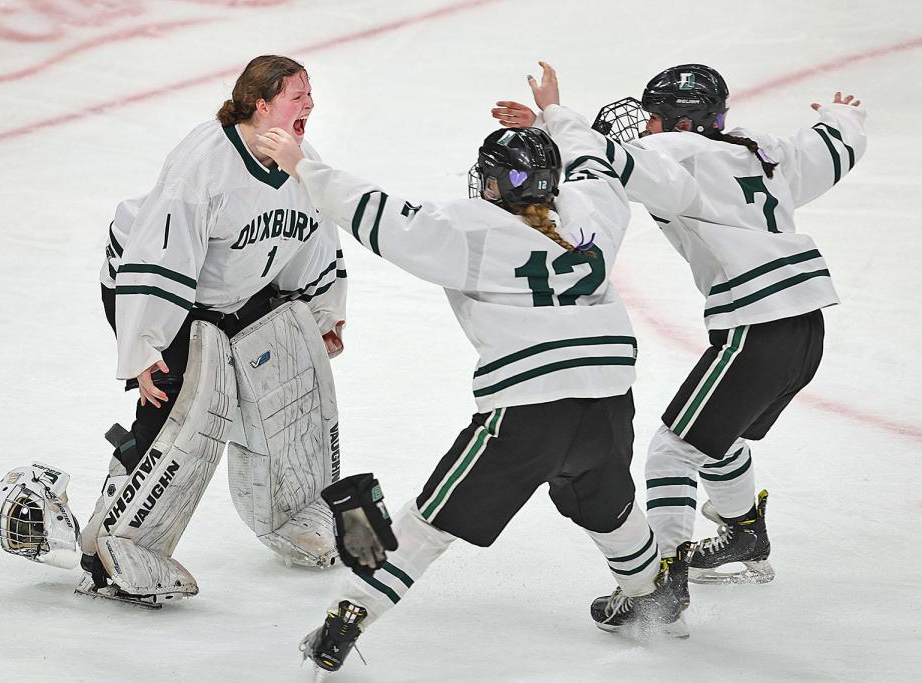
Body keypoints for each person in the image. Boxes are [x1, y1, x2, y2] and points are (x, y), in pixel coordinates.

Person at [256, 90, 698, 676]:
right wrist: (555, 114)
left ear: (491, 186)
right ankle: (651, 598)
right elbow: (593, 163)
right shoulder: (592, 214)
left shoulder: (468, 229)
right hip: (608, 402)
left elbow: (375, 212)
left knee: (430, 522)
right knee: (609, 507)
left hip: (526, 413)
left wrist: (301, 163)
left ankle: (348, 618)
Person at [494, 62, 866, 589]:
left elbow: (604, 163)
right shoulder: (759, 150)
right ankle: (742, 532)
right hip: (805, 328)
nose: (644, 127)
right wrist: (843, 116)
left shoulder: (674, 155)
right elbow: (831, 148)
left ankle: (664, 576)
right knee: (715, 436)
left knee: (673, 449)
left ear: (684, 125)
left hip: (757, 326)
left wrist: (553, 116)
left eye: (652, 118)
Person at [79, 55, 348, 606]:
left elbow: (315, 240)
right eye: (299, 95)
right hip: (156, 290)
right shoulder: (205, 162)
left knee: (287, 386)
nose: (310, 105)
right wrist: (145, 347)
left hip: (233, 293)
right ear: (261, 103)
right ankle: (111, 544)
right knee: (180, 413)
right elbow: (159, 254)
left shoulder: (300, 162)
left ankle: (295, 512)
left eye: (310, 94)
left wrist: (323, 317)